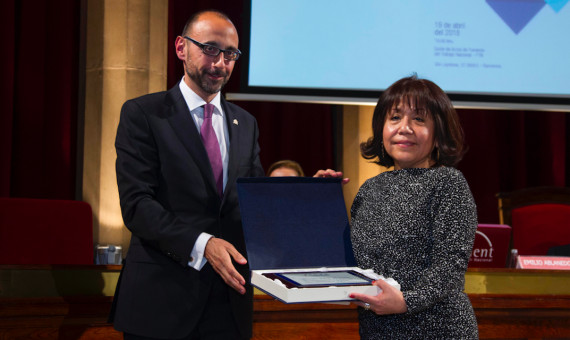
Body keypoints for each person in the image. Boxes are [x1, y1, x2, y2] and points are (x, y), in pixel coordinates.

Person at [110, 10, 345, 340]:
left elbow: (254, 207)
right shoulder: (143, 114)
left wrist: (303, 195)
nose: (220, 63)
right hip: (161, 304)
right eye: (210, 49)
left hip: (228, 306)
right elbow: (137, 205)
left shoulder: (245, 123)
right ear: (181, 47)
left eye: (231, 54)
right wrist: (204, 245)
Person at [348, 75, 478, 339]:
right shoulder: (369, 189)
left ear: (438, 133)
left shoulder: (448, 182)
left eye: (419, 119)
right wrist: (316, 197)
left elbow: (450, 266)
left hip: (438, 330)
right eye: (395, 117)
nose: (404, 128)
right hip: (377, 330)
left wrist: (406, 301)